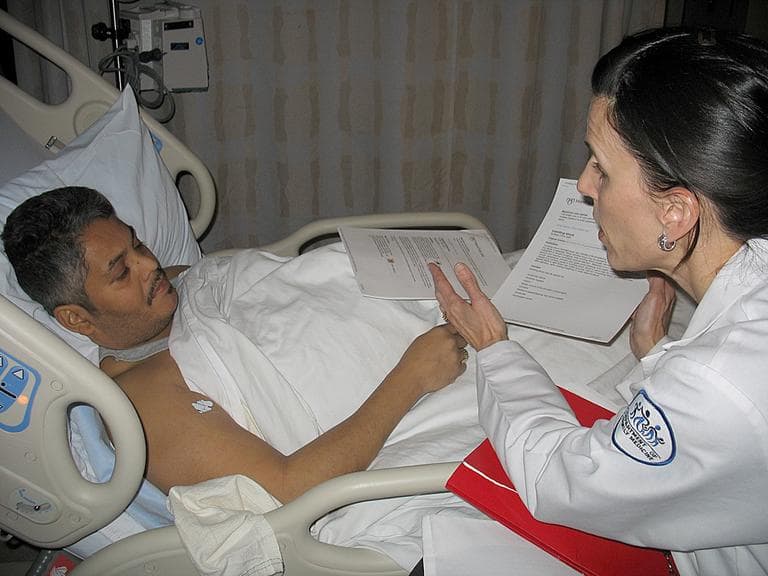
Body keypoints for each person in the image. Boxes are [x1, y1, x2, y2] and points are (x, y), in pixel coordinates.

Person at [430, 27, 768, 576]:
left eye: (602, 170)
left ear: (676, 212)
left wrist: (494, 348)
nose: (585, 185)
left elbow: (555, 478)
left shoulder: (717, 383)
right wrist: (655, 348)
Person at [1, 185, 469, 504]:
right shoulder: (143, 401)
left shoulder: (188, 284)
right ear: (77, 318)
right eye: (122, 271)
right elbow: (287, 487)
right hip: (431, 383)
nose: (150, 266)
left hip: (438, 314)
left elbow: (293, 283)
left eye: (139, 245)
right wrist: (412, 377)